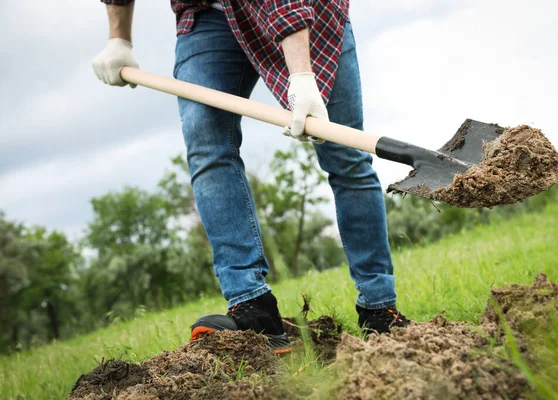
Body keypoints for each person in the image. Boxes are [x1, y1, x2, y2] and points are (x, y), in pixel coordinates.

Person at [93, 0, 409, 354]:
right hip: (208, 14)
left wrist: (302, 77)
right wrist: (119, 37)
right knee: (206, 141)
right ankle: (252, 305)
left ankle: (380, 308)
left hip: (305, 10)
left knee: (344, 152)